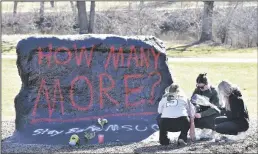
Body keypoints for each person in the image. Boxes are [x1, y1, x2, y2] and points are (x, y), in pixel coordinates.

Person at [191, 73, 221, 140]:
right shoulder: (197, 90)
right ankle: (204, 129)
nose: (200, 88)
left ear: (207, 85)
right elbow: (192, 102)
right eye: (198, 86)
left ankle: (214, 130)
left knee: (216, 114)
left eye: (202, 87)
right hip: (201, 112)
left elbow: (216, 109)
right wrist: (194, 109)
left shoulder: (214, 92)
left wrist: (201, 114)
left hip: (212, 113)